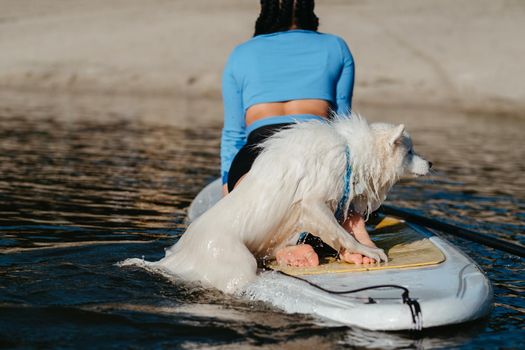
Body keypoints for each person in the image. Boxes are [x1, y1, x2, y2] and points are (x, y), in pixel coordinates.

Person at [220, 0, 378, 267]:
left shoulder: (241, 53)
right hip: (312, 144)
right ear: (309, 8)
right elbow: (343, 127)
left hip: (259, 148)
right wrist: (351, 192)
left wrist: (229, 188)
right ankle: (349, 223)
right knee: (323, 186)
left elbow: (233, 134)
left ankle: (281, 246)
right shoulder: (336, 46)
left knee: (251, 199)